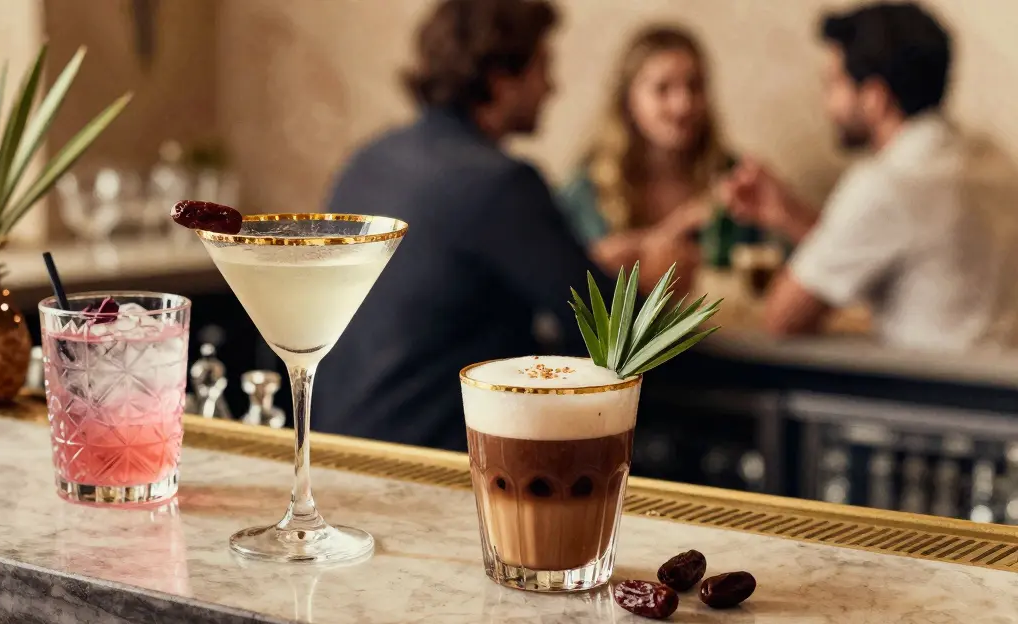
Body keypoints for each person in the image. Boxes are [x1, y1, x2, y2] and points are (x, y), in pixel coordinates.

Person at [314, 0, 695, 452]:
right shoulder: (501, 183)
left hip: (330, 454)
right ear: (500, 78)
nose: (553, 87)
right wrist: (660, 279)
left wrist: (588, 264)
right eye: (542, 67)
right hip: (431, 467)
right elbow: (618, 342)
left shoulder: (369, 160)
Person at [720, 2, 1018, 350]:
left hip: (927, 394)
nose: (826, 102)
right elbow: (875, 240)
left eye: (833, 84)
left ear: (875, 97)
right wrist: (789, 214)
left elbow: (782, 318)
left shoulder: (887, 183)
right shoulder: (992, 157)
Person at [559, 25, 759, 271]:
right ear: (628, 99)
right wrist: (680, 225)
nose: (683, 104)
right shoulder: (586, 189)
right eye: (662, 89)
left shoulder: (735, 179)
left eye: (694, 86)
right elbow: (567, 281)